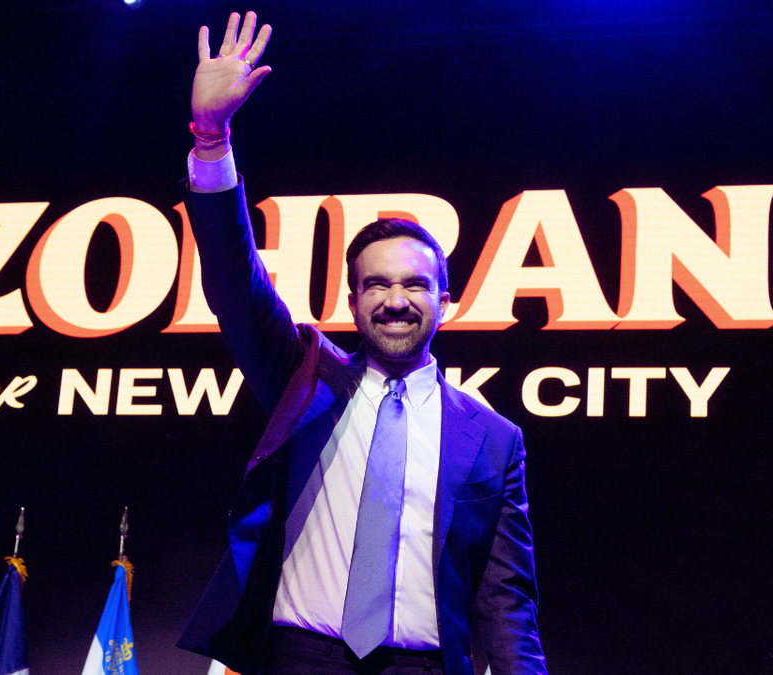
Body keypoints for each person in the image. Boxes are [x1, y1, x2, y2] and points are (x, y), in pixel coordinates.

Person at [175, 12, 547, 675]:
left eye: (415, 284)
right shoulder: (307, 376)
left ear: (446, 300)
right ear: (352, 301)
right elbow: (236, 281)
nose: (395, 299)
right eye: (376, 284)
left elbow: (507, 603)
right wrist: (212, 139)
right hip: (299, 657)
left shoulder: (493, 438)